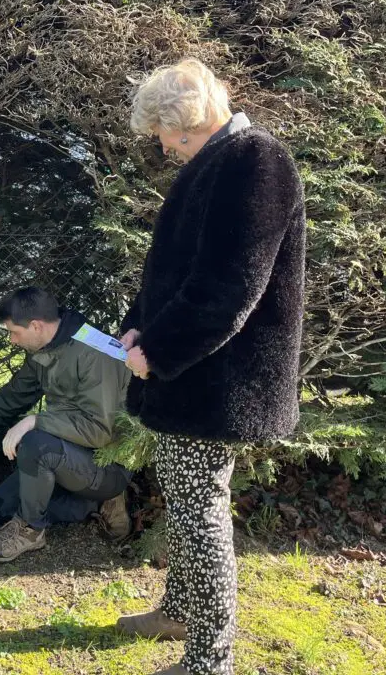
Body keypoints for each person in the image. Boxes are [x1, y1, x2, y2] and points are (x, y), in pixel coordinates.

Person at [114, 58, 305, 675]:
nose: (167, 146)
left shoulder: (256, 162)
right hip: (196, 373)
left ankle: (209, 659)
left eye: (174, 135)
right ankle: (178, 610)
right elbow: (175, 267)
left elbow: (228, 288)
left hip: (219, 379)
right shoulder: (222, 159)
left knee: (201, 511)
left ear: (195, 120)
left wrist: (159, 352)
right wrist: (138, 322)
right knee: (185, 495)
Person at [0, 287, 133, 563]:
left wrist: (35, 420)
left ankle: (33, 530)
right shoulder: (46, 347)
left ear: (36, 326)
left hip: (105, 464)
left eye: (14, 332)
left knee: (36, 443)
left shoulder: (95, 353)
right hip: (66, 452)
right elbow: (15, 395)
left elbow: (99, 430)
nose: (11, 341)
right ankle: (86, 504)